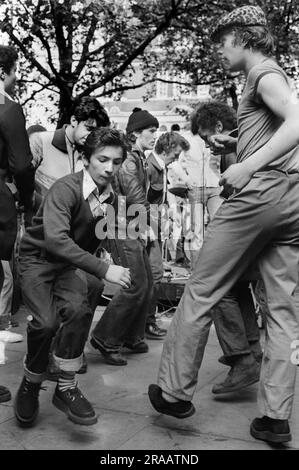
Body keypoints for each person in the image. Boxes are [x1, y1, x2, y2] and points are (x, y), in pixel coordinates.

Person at [148, 5, 299, 445]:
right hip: (291, 200)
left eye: (221, 40)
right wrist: (240, 141)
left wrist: (247, 165)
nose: (217, 50)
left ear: (244, 36)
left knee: (202, 287)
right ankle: (275, 416)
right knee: (284, 311)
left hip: (258, 196)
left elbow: (298, 121)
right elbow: (281, 131)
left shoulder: (262, 74)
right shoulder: (269, 76)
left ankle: (174, 392)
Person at [14, 128, 130, 427]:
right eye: (102, 159)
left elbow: (93, 240)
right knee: (46, 322)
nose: (109, 168)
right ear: (86, 159)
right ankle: (30, 383)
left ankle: (65, 386)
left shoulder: (111, 197)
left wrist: (110, 261)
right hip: (37, 260)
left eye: (116, 162)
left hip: (66, 265)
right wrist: (105, 270)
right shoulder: (66, 189)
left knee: (79, 310)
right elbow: (56, 241)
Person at [29, 97, 110, 375]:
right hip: (40, 239)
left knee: (96, 285)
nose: (91, 136)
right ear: (72, 121)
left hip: (70, 244)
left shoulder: (89, 154)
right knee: (50, 312)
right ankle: (50, 356)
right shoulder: (41, 141)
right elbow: (19, 177)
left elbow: (94, 203)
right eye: (87, 128)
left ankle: (67, 349)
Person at [191, 101, 262, 393]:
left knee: (217, 286)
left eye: (207, 136)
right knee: (236, 287)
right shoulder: (249, 138)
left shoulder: (233, 147)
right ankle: (252, 350)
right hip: (259, 227)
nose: (207, 144)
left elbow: (241, 192)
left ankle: (241, 358)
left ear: (219, 128)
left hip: (250, 227)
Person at [0, 45, 34, 360]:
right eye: (14, 71)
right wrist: (26, 197)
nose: (14, 78)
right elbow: (22, 165)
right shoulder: (7, 108)